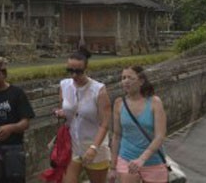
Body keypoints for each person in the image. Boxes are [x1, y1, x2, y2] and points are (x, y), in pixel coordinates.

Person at [53, 48, 111, 183]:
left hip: (94, 145)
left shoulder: (99, 90)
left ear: (86, 69)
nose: (73, 75)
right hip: (72, 144)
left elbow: (105, 124)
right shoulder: (64, 85)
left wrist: (94, 147)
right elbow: (65, 108)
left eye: (78, 71)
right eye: (70, 71)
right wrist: (61, 113)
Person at [109, 66, 168, 183]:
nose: (125, 81)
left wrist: (142, 159)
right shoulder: (119, 103)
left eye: (130, 78)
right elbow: (116, 136)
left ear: (141, 81)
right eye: (123, 78)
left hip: (153, 160)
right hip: (127, 158)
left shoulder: (155, 102)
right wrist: (112, 167)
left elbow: (160, 136)